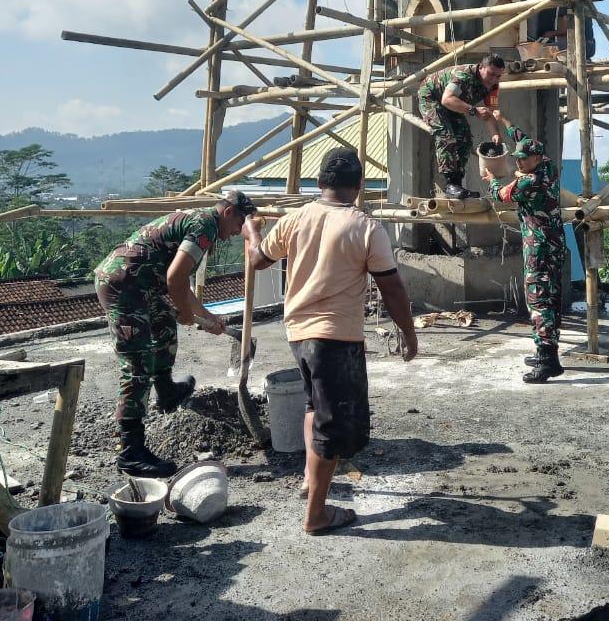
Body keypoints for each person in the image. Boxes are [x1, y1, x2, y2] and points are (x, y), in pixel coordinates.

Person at [250, 147, 417, 535]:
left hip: (298, 334)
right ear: (358, 186)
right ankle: (316, 515)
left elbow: (258, 259)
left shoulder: (295, 219)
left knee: (314, 406)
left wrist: (252, 231)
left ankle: (312, 479)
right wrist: (408, 333)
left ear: (320, 183)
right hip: (335, 338)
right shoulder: (365, 227)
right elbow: (391, 288)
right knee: (332, 426)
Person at [94, 190, 261, 476]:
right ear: (229, 212)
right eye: (238, 226)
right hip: (124, 285)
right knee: (137, 364)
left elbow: (180, 283)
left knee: (164, 325)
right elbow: (175, 278)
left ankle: (167, 390)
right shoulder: (205, 226)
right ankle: (130, 451)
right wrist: (186, 313)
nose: (236, 234)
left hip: (139, 285)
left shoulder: (202, 222)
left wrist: (207, 317)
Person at [481, 114, 566, 383]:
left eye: (524, 159)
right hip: (554, 244)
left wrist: (491, 178)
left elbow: (501, 195)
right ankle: (546, 351)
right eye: (517, 158)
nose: (519, 162)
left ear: (537, 158)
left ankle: (548, 359)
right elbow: (522, 138)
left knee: (539, 301)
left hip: (539, 247)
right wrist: (502, 119)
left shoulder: (530, 182)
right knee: (550, 299)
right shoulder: (549, 166)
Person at [416, 53, 506, 199]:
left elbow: (489, 112)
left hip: (453, 103)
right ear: (481, 67)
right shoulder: (463, 76)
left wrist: (495, 134)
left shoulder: (493, 86)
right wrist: (474, 110)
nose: (494, 79)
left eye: (498, 76)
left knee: (464, 138)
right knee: (446, 135)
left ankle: (457, 184)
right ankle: (449, 183)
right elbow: (446, 99)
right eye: (491, 74)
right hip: (432, 97)